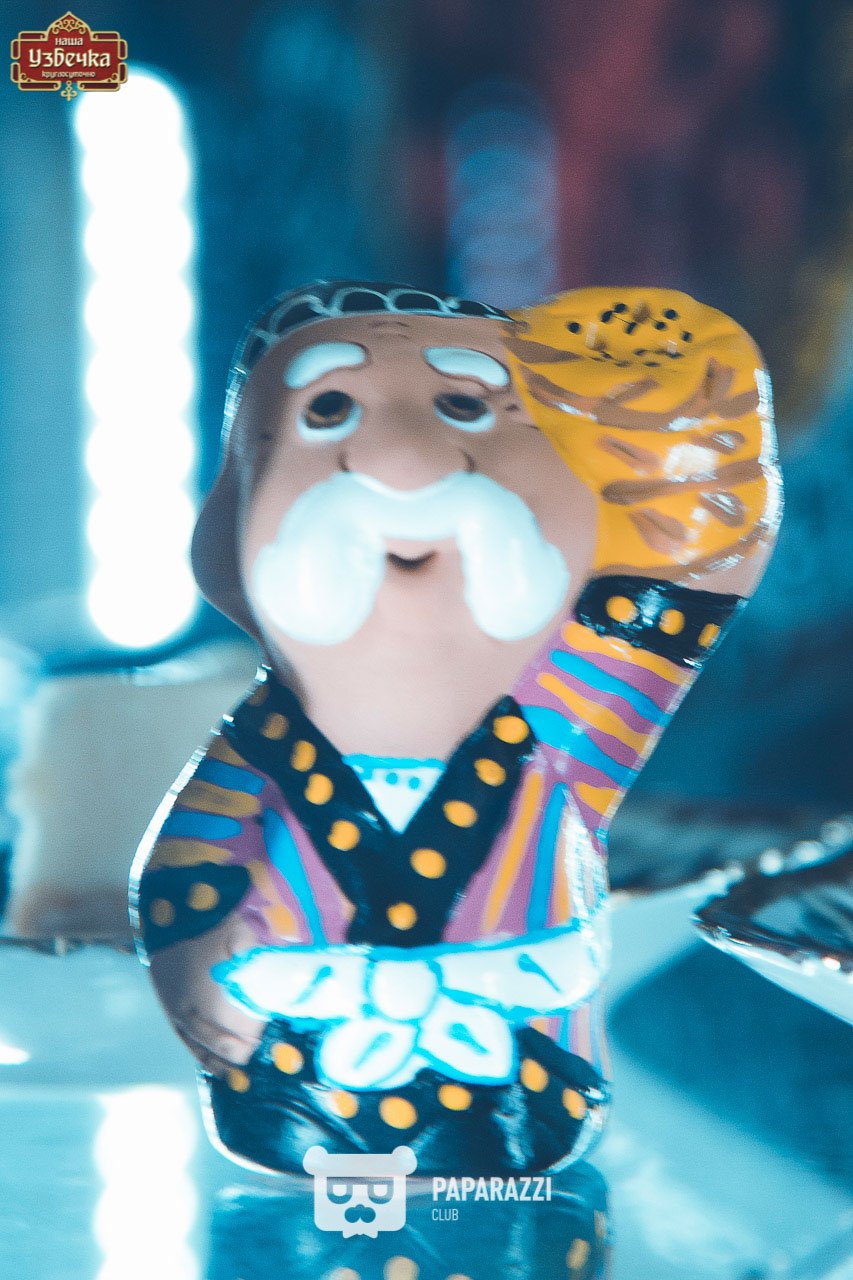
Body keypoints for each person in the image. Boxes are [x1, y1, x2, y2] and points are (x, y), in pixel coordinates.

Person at [130, 281, 780, 1174]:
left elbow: (683, 590)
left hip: (519, 1089)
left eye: (465, 405)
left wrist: (688, 442)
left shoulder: (559, 724)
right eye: (327, 409)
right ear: (229, 524)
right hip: (289, 1084)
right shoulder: (258, 752)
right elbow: (186, 869)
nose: (401, 457)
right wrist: (197, 970)